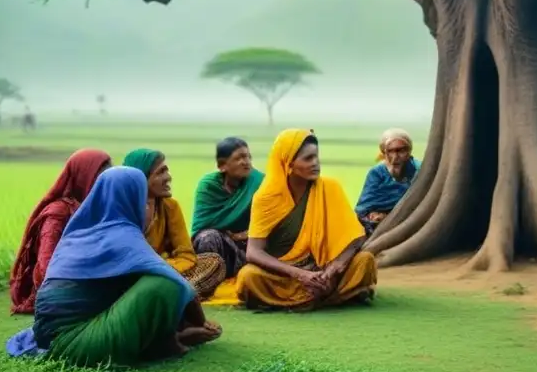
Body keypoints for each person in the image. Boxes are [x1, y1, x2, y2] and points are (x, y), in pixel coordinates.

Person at [5, 167, 222, 367]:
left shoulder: (80, 231)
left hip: (48, 335)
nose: (147, 208)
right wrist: (202, 322)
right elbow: (177, 284)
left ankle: (169, 335)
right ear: (129, 201)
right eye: (144, 201)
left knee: (145, 283)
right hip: (73, 345)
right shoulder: (123, 235)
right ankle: (166, 344)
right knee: (162, 284)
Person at [236, 128, 378, 310]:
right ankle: (336, 296)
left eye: (316, 157)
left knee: (365, 260)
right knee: (248, 277)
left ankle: (317, 293)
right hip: (286, 274)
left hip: (324, 270)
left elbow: (356, 237)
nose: (316, 163)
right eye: (308, 158)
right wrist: (301, 275)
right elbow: (254, 252)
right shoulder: (266, 198)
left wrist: (335, 267)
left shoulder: (329, 188)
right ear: (288, 163)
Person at [9, 149, 112, 314]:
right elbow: (46, 268)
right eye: (100, 179)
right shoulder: (58, 213)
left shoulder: (96, 207)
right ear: (83, 177)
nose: (106, 186)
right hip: (59, 286)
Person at [122, 148, 224, 300]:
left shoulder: (170, 207)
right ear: (140, 178)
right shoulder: (121, 208)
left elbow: (186, 254)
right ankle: (175, 295)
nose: (168, 177)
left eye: (167, 171)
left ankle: (168, 292)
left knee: (214, 263)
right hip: (129, 275)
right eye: (160, 172)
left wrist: (164, 268)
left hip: (163, 271)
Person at [191, 137, 264, 279]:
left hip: (250, 247)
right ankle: (208, 281)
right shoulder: (208, 186)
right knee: (207, 237)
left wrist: (242, 235)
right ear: (222, 166)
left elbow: (272, 221)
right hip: (222, 247)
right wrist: (229, 236)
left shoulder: (260, 183)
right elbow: (201, 226)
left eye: (248, 157)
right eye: (239, 158)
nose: (246, 162)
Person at [354, 128, 421, 236]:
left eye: (401, 150)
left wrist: (389, 215)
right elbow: (363, 208)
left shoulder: (419, 170)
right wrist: (373, 216)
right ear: (384, 152)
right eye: (391, 151)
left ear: (409, 151)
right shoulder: (377, 173)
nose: (396, 157)